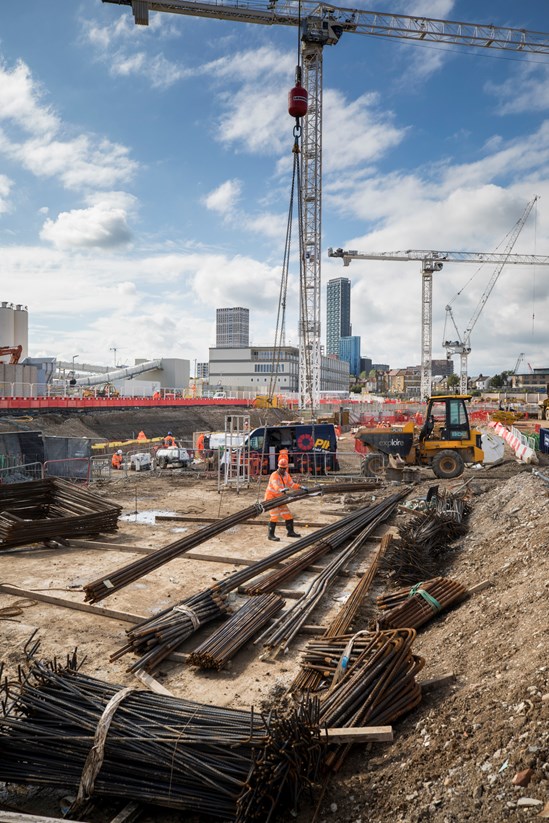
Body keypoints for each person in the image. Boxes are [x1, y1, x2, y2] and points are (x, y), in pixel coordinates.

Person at [264, 455, 307, 541]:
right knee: (274, 516)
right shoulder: (274, 475)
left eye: (284, 468)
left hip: (280, 498)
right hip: (271, 498)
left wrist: (300, 487)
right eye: (282, 468)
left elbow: (291, 484)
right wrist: (281, 489)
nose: (283, 470)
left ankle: (290, 532)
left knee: (288, 515)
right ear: (278, 467)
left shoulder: (286, 475)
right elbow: (275, 485)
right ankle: (271, 535)